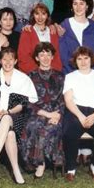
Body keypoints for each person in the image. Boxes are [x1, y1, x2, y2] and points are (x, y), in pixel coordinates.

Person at [0, 48, 38, 184]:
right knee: (10, 135)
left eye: (10, 59)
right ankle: (16, 172)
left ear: (15, 61)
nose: (7, 62)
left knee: (7, 119)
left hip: (17, 117)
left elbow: (23, 104)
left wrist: (7, 112)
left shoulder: (23, 78)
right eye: (4, 59)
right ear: (0, 61)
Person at [62, 47, 94, 182]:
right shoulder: (70, 77)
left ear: (91, 59)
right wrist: (80, 116)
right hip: (76, 110)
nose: (83, 61)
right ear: (75, 61)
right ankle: (71, 168)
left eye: (86, 58)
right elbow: (68, 100)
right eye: (79, 59)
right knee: (69, 132)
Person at [20, 42, 65, 178]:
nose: (45, 58)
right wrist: (46, 114)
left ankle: (41, 163)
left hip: (56, 115)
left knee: (47, 129)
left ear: (52, 57)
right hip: (37, 113)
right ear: (37, 58)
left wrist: (56, 115)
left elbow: (64, 100)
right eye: (42, 54)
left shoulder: (60, 77)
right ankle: (32, 162)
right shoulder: (30, 76)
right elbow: (27, 102)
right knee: (32, 126)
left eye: (48, 54)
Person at [59, 0, 94, 74]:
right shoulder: (64, 25)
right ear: (72, 6)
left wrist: (90, 73)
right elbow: (63, 55)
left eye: (81, 3)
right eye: (75, 4)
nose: (78, 7)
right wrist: (75, 74)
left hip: (92, 74)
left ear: (87, 6)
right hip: (70, 74)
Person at [18, 3, 62, 74]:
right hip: (32, 73)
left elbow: (57, 56)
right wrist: (38, 72)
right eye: (37, 14)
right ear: (33, 15)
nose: (40, 17)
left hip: (52, 73)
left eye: (43, 14)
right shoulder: (27, 32)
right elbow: (23, 57)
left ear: (47, 15)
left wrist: (53, 72)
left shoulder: (53, 32)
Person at [0, 7, 20, 74]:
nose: (8, 22)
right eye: (5, 19)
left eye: (11, 19)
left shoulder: (19, 36)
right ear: (0, 22)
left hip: (16, 73)